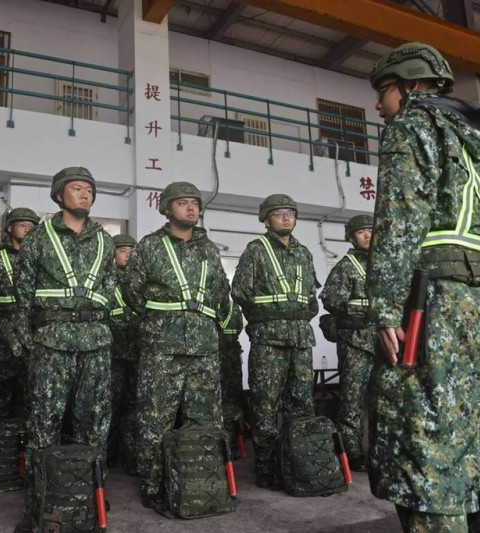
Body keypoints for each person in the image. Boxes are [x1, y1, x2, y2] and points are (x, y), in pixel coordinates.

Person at [366, 42, 480, 530]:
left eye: (383, 92)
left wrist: (383, 310)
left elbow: (399, 224)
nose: (379, 105)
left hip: (430, 295)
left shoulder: (409, 129)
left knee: (425, 427)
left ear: (409, 85)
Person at [12, 167, 116, 531]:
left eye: (89, 189)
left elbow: (110, 287)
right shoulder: (39, 239)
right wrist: (28, 343)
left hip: (95, 340)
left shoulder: (104, 240)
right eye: (76, 188)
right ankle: (38, 500)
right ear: (59, 196)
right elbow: (21, 295)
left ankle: (92, 494)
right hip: (51, 341)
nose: (85, 194)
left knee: (95, 422)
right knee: (45, 421)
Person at [121, 181, 230, 508]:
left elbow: (221, 294)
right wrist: (160, 324)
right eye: (183, 203)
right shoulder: (150, 246)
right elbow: (132, 293)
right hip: (162, 346)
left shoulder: (208, 248)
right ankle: (153, 484)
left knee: (206, 417)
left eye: (195, 202)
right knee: (156, 418)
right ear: (167, 208)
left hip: (203, 348)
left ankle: (203, 482)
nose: (191, 208)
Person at [231, 194, 319, 490]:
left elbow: (311, 298)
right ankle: (266, 465)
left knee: (302, 403)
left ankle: (299, 460)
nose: (286, 217)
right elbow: (240, 291)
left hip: (301, 339)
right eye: (279, 213)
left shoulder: (304, 253)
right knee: (265, 404)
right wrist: (268, 318)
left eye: (291, 212)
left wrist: (299, 315)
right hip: (269, 340)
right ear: (266, 219)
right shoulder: (256, 251)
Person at [319, 214, 374, 472]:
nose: (368, 236)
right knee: (352, 401)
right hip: (355, 343)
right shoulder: (346, 266)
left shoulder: (384, 264)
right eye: (361, 232)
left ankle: (380, 450)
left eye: (371, 231)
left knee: (383, 401)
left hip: (383, 343)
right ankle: (352, 454)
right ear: (351, 237)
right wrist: (357, 310)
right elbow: (330, 299)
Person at [0, 207, 40, 422]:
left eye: (32, 227)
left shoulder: (41, 262)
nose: (28, 230)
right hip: (0, 337)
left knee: (32, 394)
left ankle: (26, 452)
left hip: (32, 335)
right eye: (22, 225)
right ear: (9, 227)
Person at [106, 233, 139, 466]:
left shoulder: (140, 280)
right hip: (113, 352)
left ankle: (132, 455)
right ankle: (108, 456)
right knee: (110, 404)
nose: (128, 255)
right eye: (122, 251)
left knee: (136, 405)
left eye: (131, 251)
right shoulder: (105, 280)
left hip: (138, 351)